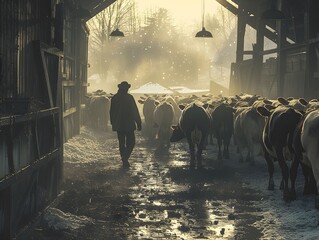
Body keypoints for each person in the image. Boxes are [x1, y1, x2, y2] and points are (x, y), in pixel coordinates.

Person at [110, 81, 142, 169]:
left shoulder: (114, 98)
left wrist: (113, 123)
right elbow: (134, 111)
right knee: (131, 142)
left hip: (119, 125)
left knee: (121, 143)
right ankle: (125, 158)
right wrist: (138, 123)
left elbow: (111, 112)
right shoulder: (129, 98)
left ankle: (124, 159)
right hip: (128, 124)